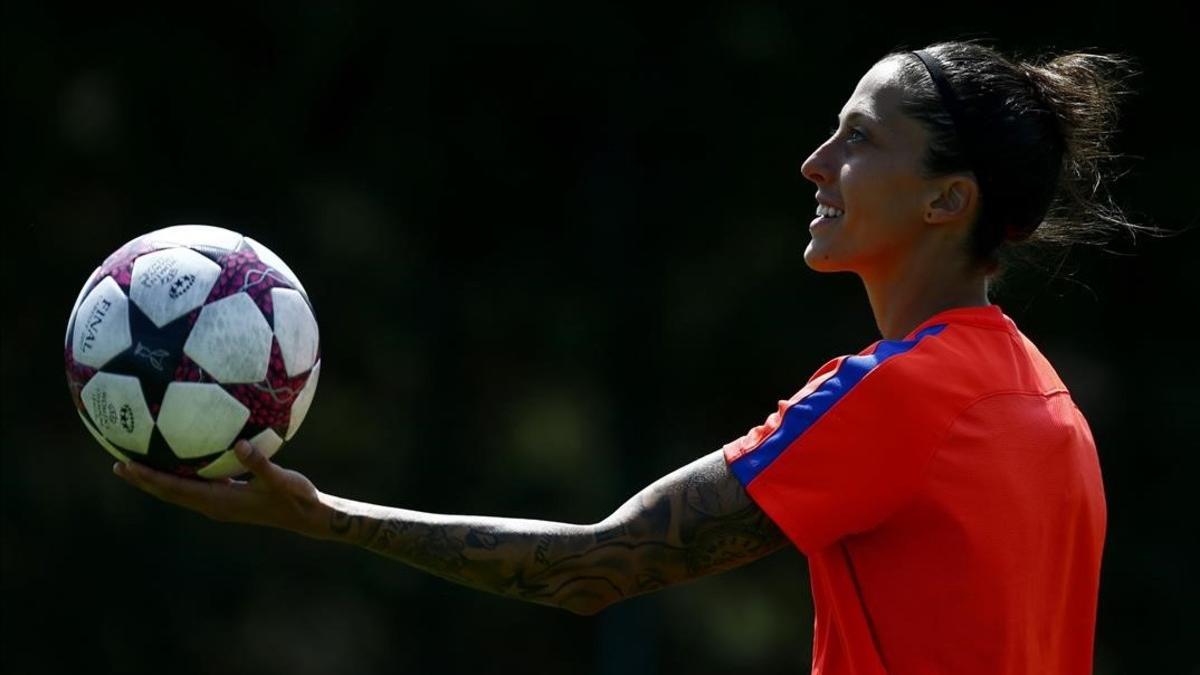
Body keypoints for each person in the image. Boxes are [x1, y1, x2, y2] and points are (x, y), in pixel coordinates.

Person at [114, 40, 1146, 674]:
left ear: (947, 200)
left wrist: (324, 517)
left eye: (859, 138)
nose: (816, 162)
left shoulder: (901, 397)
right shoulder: (1043, 399)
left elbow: (595, 566)